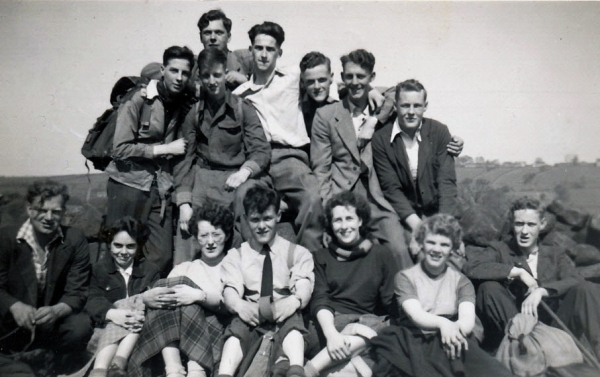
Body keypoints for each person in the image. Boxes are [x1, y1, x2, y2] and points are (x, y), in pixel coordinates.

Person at [370, 214, 515, 377]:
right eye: (431, 242)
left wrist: (452, 330)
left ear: (452, 249)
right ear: (421, 244)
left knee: (496, 373)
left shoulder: (462, 282)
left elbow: (466, 321)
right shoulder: (405, 278)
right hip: (414, 340)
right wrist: (442, 323)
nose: (437, 250)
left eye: (444, 245)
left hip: (453, 338)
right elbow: (416, 315)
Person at [310, 49, 414, 269]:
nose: (355, 82)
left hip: (377, 197)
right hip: (343, 196)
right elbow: (321, 169)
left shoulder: (382, 109)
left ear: (372, 78)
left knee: (397, 247)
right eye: (349, 76)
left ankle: (407, 300)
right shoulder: (326, 115)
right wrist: (330, 210)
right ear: (342, 77)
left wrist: (373, 120)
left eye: (361, 77)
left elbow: (400, 91)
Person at [463, 197, 600, 356]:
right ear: (512, 224)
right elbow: (472, 267)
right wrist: (517, 272)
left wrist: (542, 291)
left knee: (586, 289)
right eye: (519, 224)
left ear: (542, 225)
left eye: (531, 224)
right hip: (517, 329)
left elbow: (576, 279)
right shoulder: (499, 249)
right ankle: (524, 351)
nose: (525, 231)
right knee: (488, 288)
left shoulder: (554, 254)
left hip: (554, 330)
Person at [173, 48, 271, 263]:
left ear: (225, 73)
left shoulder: (242, 109)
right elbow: (185, 160)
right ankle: (179, 283)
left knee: (247, 203)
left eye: (217, 75)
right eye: (206, 76)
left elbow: (261, 150)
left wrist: (245, 171)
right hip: (205, 178)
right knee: (187, 226)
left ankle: (255, 277)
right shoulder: (195, 113)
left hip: (234, 178)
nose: (212, 81)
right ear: (199, 77)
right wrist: (183, 203)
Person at [232, 21, 323, 252]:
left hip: (289, 158)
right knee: (243, 195)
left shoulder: (293, 77)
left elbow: (326, 83)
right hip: (256, 162)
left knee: (312, 197)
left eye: (270, 49)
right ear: (251, 50)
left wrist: (373, 91)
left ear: (279, 52)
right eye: (259, 48)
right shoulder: (239, 95)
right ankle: (254, 264)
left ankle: (308, 266)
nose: (263, 55)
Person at [105, 45, 195, 274]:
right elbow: (120, 149)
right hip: (128, 184)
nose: (179, 77)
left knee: (162, 254)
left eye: (185, 73)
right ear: (163, 69)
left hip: (159, 189)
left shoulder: (180, 100)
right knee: (118, 252)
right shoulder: (138, 99)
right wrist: (164, 149)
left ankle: (140, 300)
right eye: (174, 71)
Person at [128, 202, 234, 377]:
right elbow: (163, 303)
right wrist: (147, 298)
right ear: (196, 238)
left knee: (185, 289)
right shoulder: (185, 267)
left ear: (227, 234)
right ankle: (174, 369)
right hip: (177, 338)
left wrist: (199, 296)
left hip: (212, 333)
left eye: (216, 235)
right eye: (203, 236)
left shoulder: (233, 266)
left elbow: (231, 305)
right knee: (166, 286)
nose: (210, 242)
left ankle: (195, 371)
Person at [217, 186, 314, 377]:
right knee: (237, 328)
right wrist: (238, 304)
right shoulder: (236, 256)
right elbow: (230, 289)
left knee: (293, 320)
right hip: (251, 314)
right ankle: (224, 373)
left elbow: (304, 285)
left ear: (278, 216)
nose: (262, 226)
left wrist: (294, 301)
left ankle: (296, 369)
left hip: (283, 311)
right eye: (255, 220)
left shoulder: (297, 253)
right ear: (245, 219)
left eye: (267, 218)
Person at [0, 180, 92, 376]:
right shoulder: (5, 239)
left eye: (56, 212)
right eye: (42, 210)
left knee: (80, 326)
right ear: (29, 208)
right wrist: (14, 305)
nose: (48, 217)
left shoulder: (74, 239)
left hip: (51, 324)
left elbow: (77, 290)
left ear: (63, 211)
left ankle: (53, 361)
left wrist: (58, 310)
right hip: (10, 323)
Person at [303, 191, 399, 377]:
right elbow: (320, 299)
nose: (344, 226)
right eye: (338, 220)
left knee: (387, 326)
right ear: (331, 225)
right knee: (374, 329)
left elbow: (391, 301)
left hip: (362, 331)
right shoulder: (320, 257)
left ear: (360, 221)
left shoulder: (381, 255)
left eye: (349, 218)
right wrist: (332, 335)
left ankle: (310, 371)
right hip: (329, 327)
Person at [372, 79, 459, 242]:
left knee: (450, 253)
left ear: (425, 106)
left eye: (417, 106)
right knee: (402, 251)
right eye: (405, 105)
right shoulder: (381, 138)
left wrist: (442, 227)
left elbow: (446, 183)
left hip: (437, 213)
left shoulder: (439, 132)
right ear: (396, 106)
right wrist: (419, 227)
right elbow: (391, 188)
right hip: (402, 215)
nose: (411, 112)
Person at [85, 217, 160, 377]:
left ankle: (106, 368)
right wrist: (113, 314)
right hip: (107, 327)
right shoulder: (99, 270)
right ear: (109, 244)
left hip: (138, 329)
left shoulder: (150, 271)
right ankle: (110, 368)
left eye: (130, 246)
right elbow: (92, 299)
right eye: (118, 245)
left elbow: (153, 300)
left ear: (138, 246)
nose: (124, 252)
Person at [193, 9, 252, 91]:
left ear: (229, 37)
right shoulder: (193, 67)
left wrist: (246, 81)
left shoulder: (245, 60)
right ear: (201, 37)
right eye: (207, 33)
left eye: (218, 32)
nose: (213, 38)